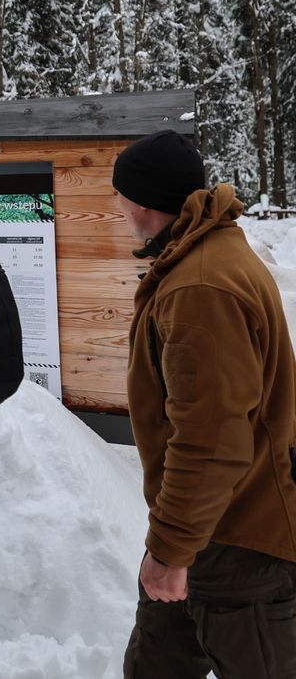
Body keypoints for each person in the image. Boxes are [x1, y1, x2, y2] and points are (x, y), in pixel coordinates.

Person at [114, 130, 296, 678]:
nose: (115, 205)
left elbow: (211, 441)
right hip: (205, 531)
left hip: (239, 545)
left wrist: (170, 553)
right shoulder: (204, 251)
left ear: (143, 203)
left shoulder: (200, 289)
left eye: (119, 193)